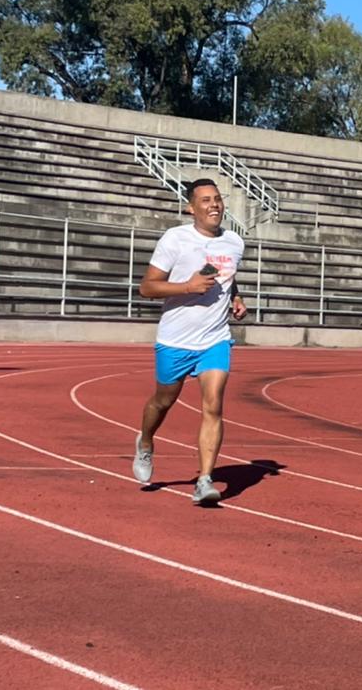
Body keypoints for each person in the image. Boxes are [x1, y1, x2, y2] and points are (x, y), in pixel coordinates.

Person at [132, 178, 247, 504]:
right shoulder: (175, 239)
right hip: (175, 339)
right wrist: (186, 287)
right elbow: (147, 287)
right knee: (163, 401)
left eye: (218, 199)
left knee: (214, 405)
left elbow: (228, 277)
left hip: (215, 339)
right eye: (206, 200)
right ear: (191, 208)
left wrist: (236, 298)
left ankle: (205, 480)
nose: (215, 205)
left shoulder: (235, 242)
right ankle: (145, 442)